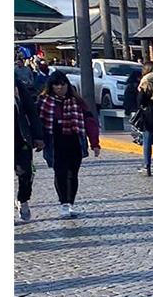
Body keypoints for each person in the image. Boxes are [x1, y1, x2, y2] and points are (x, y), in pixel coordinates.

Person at [36, 71, 101, 217]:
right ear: (51, 86)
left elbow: (90, 122)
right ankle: (63, 203)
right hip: (54, 142)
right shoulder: (43, 101)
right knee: (60, 173)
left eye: (62, 84)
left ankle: (71, 203)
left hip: (74, 141)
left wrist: (94, 142)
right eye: (56, 85)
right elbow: (37, 123)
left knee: (73, 174)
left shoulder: (77, 101)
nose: (60, 87)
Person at [15, 74, 45, 222]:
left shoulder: (17, 85)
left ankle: (23, 199)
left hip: (20, 139)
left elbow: (31, 111)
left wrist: (38, 136)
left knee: (26, 172)